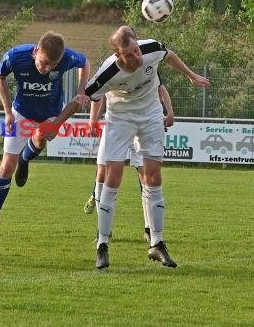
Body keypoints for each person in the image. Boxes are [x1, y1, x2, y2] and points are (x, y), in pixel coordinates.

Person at [44, 25, 209, 269]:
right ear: (119, 56)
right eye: (130, 54)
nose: (137, 57)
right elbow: (82, 99)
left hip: (151, 114)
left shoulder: (150, 48)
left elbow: (169, 55)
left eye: (136, 50)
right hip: (120, 119)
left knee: (153, 176)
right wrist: (56, 125)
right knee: (113, 177)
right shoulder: (107, 72)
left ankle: (157, 243)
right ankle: (102, 245)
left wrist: (191, 75)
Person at [0, 30, 91, 254]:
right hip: (22, 112)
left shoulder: (66, 58)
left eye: (52, 66)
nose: (46, 69)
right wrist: (7, 112)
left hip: (50, 113)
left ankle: (26, 159)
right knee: (7, 166)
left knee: (41, 139)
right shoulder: (16, 56)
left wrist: (81, 90)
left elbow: (85, 62)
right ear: (36, 51)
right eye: (44, 63)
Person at [85, 83, 174, 244]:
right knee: (103, 174)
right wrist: (93, 120)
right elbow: (97, 94)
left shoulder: (147, 64)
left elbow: (160, 87)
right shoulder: (111, 68)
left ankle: (150, 229)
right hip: (118, 126)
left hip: (143, 126)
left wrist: (169, 111)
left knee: (146, 177)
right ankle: (104, 231)